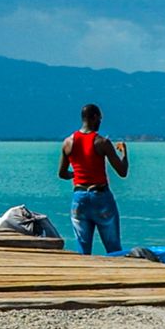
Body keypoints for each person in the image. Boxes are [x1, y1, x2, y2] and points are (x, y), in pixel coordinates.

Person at [58, 103, 129, 254]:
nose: (100, 123)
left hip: (79, 199)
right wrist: (124, 153)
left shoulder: (68, 142)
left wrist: (75, 174)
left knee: (83, 249)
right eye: (100, 119)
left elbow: (62, 174)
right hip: (101, 197)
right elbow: (122, 172)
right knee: (113, 248)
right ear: (95, 117)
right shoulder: (102, 142)